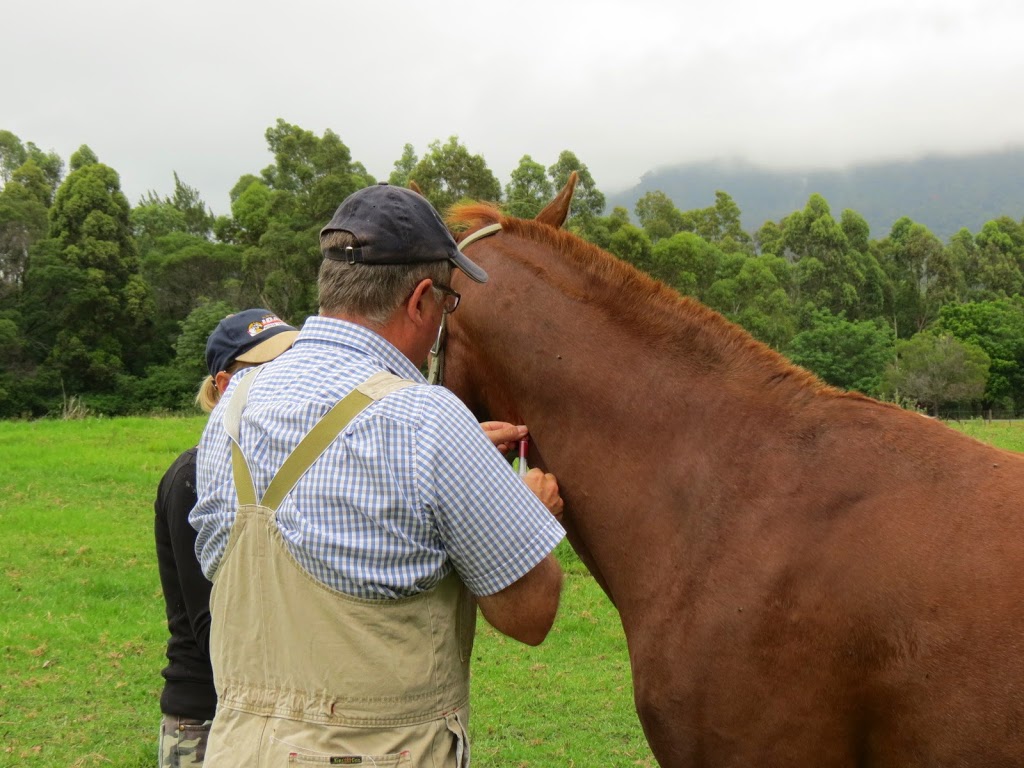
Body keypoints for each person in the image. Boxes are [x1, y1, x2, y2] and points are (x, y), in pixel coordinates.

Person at [190, 182, 565, 767]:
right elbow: (529, 615)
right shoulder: (427, 419)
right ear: (421, 300)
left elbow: (219, 559)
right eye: (447, 302)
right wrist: (523, 514)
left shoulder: (232, 408)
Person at [155, 309, 298, 768]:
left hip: (276, 711)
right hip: (207, 720)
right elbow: (210, 625)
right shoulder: (193, 476)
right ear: (222, 386)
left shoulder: (284, 468)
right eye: (265, 369)